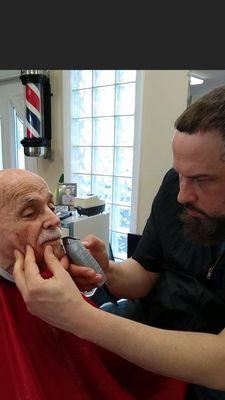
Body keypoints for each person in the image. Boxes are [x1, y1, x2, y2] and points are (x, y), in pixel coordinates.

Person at [13, 86, 225, 400]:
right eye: (179, 174)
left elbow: (220, 364)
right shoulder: (175, 188)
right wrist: (108, 270)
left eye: (201, 180)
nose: (182, 195)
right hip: (150, 319)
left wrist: (80, 317)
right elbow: (144, 274)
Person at [0, 168, 186, 400]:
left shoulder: (54, 274)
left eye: (50, 206)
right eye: (30, 213)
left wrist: (77, 309)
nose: (55, 218)